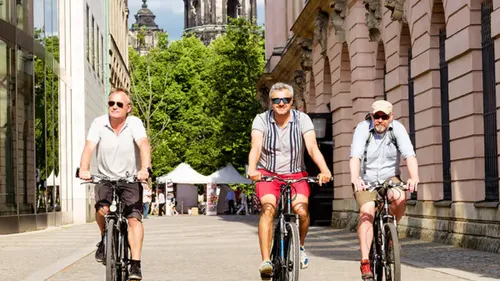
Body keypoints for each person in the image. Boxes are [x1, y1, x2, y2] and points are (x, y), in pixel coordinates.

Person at [247, 82, 332, 278]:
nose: (281, 103)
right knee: (268, 208)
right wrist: (252, 168)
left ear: (292, 101)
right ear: (271, 102)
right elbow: (256, 147)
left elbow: (312, 148)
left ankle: (300, 246)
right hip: (268, 173)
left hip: (296, 174)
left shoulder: (303, 120)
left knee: (302, 211)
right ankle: (266, 261)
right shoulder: (261, 120)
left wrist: (324, 169)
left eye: (285, 99)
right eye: (276, 100)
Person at [78, 88, 151, 280]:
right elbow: (89, 147)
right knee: (102, 209)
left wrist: (145, 168)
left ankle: (135, 264)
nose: (114, 107)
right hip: (105, 177)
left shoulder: (135, 123)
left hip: (130, 179)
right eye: (111, 103)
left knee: (134, 218)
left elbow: (143, 144)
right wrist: (83, 169)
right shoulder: (99, 123)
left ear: (128, 108)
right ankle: (105, 238)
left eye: (119, 104)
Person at [349, 100, 419, 280]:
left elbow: (409, 155)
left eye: (384, 117)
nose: (380, 120)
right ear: (372, 117)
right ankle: (365, 261)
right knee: (367, 212)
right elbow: (355, 156)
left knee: (400, 197)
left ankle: (390, 233)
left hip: (389, 177)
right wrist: (355, 178)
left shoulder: (397, 129)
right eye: (377, 116)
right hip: (366, 180)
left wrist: (413, 177)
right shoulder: (363, 128)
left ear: (391, 117)